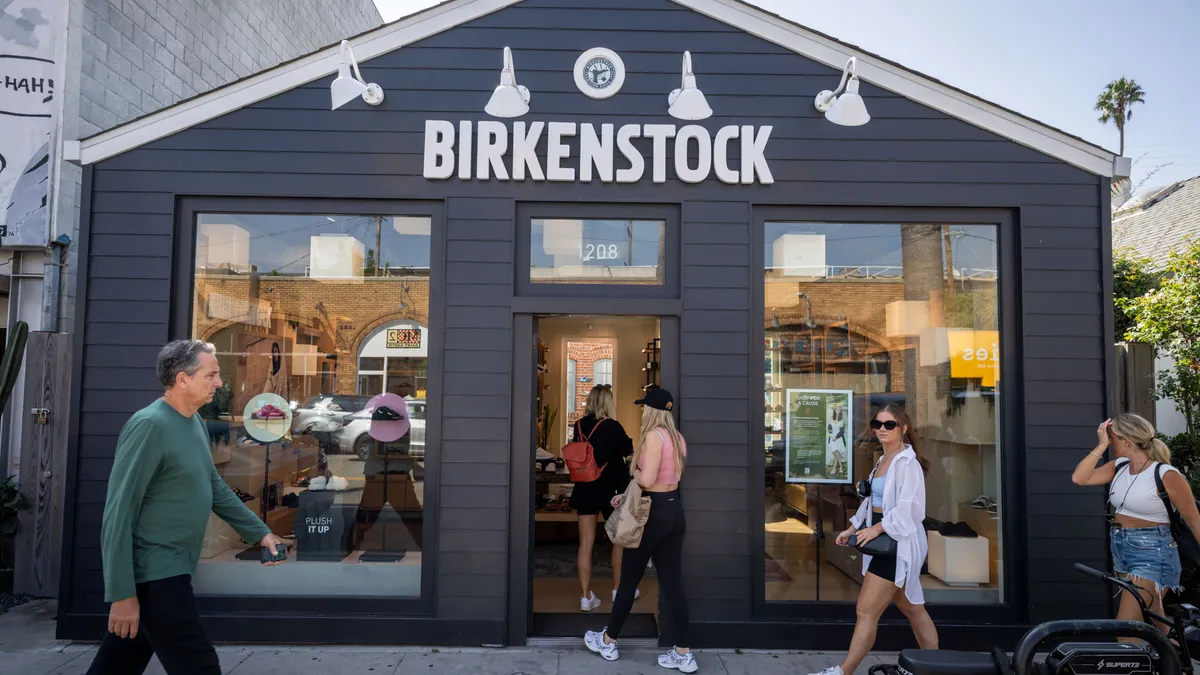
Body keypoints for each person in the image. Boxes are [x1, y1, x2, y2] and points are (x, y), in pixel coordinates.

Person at [86, 340, 287, 675]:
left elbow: (214, 486)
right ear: (182, 379)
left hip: (174, 567)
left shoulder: (192, 422)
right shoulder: (149, 425)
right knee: (199, 665)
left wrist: (260, 532)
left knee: (117, 664)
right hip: (155, 575)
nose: (220, 383)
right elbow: (118, 512)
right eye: (212, 375)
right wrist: (122, 594)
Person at [811, 404, 938, 675]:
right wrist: (853, 528)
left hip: (896, 544)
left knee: (866, 610)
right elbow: (872, 502)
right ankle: (936, 666)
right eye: (877, 424)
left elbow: (909, 510)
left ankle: (843, 671)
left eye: (889, 424)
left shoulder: (908, 463)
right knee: (912, 608)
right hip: (883, 539)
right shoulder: (883, 459)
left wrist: (877, 530)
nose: (881, 429)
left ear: (903, 428)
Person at [585, 387, 697, 673]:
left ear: (651, 410)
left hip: (653, 513)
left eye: (644, 407)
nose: (641, 411)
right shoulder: (678, 438)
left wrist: (633, 473)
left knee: (628, 579)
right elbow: (670, 478)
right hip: (674, 510)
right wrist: (626, 495)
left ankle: (609, 640)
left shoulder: (652, 437)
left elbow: (647, 479)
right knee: (672, 585)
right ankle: (683, 652)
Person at [1072, 413, 1200, 631]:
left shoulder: (1166, 474)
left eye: (1111, 438)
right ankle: (1176, 660)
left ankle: (1131, 664)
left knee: (1126, 627)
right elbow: (1080, 478)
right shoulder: (1119, 466)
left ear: (1125, 440)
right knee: (1156, 616)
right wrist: (1101, 445)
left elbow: (1194, 521)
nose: (1110, 442)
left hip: (1154, 553)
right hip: (1123, 549)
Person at [571, 384, 638, 612]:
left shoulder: (579, 425)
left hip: (586, 487)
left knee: (585, 543)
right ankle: (618, 589)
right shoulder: (613, 426)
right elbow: (629, 450)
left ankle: (585, 596)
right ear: (608, 402)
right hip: (612, 490)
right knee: (618, 540)